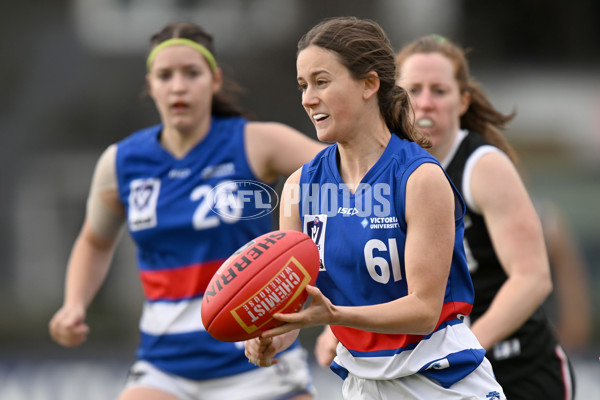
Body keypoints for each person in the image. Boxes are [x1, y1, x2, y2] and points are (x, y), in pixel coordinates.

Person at [48, 21, 325, 400]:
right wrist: (73, 304)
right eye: (165, 75)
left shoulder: (257, 142)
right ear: (150, 85)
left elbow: (348, 177)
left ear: (213, 81)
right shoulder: (121, 162)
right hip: (166, 366)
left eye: (191, 73)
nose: (178, 85)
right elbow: (95, 241)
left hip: (257, 358)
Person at [245, 16, 506, 400]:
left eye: (321, 81)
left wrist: (335, 316)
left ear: (369, 84)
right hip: (364, 386)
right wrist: (271, 340)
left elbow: (423, 311)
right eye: (303, 85)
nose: (307, 98)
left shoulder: (419, 179)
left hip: (442, 384)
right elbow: (299, 308)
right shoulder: (301, 187)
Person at [394, 34, 575, 400]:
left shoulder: (482, 165)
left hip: (517, 366)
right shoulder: (392, 171)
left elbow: (533, 278)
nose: (426, 103)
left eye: (439, 90)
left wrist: (464, 346)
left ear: (463, 100)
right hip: (439, 373)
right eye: (414, 90)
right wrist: (338, 330)